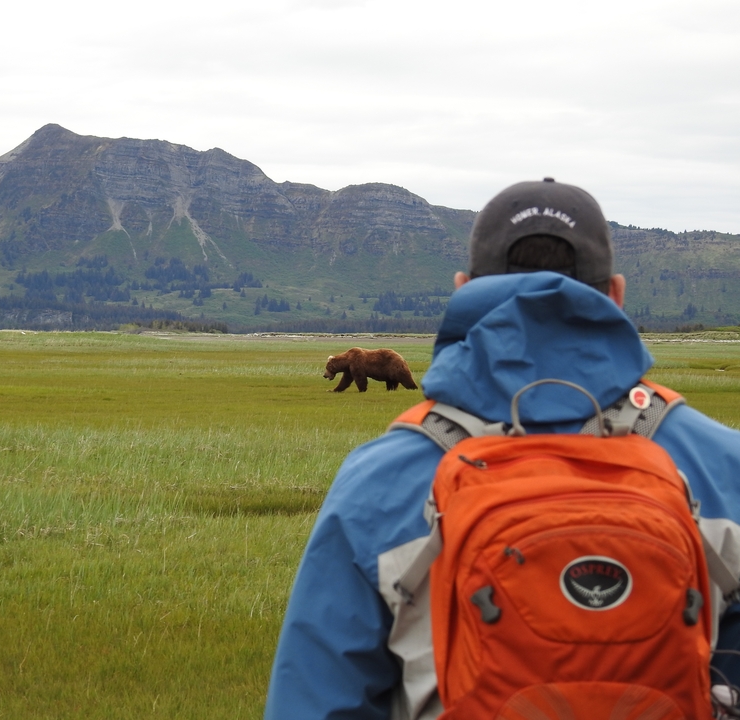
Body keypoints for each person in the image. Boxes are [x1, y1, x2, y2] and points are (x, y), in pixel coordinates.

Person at [263, 178, 740, 719]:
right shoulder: (723, 463)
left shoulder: (378, 479)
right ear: (616, 296)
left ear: (464, 287)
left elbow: (315, 702)